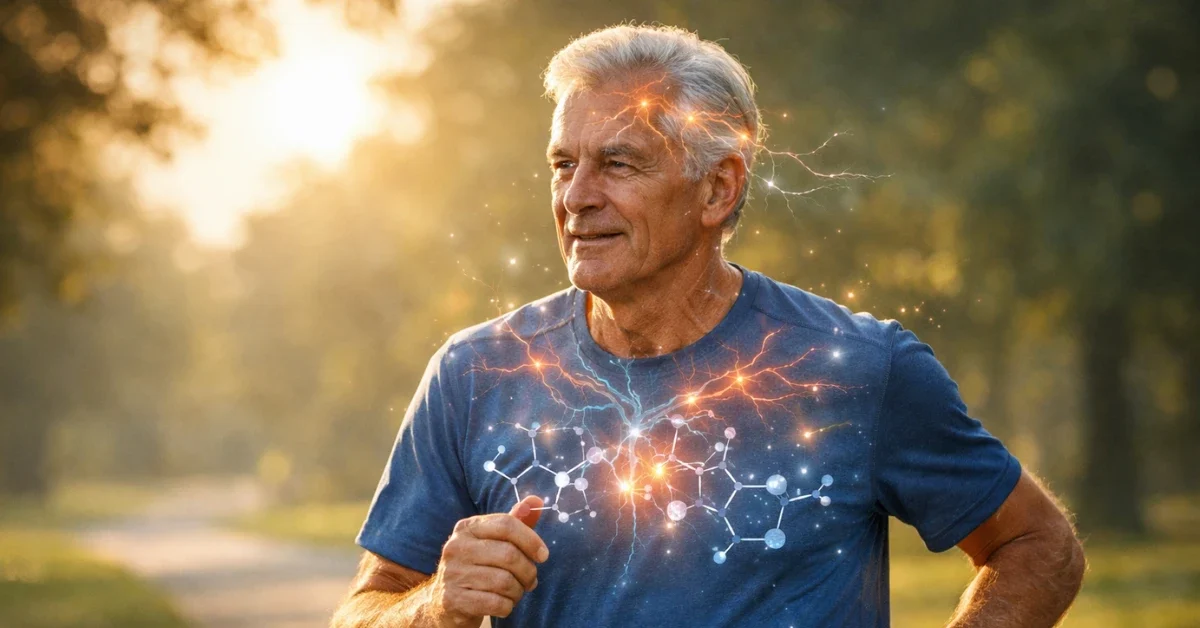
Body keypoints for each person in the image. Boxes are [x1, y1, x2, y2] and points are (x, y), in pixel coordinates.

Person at [331, 24, 1085, 628]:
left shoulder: (855, 367)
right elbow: (366, 607)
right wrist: (433, 609)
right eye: (564, 165)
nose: (576, 197)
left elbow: (1037, 544)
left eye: (618, 164)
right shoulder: (476, 372)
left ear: (718, 188)